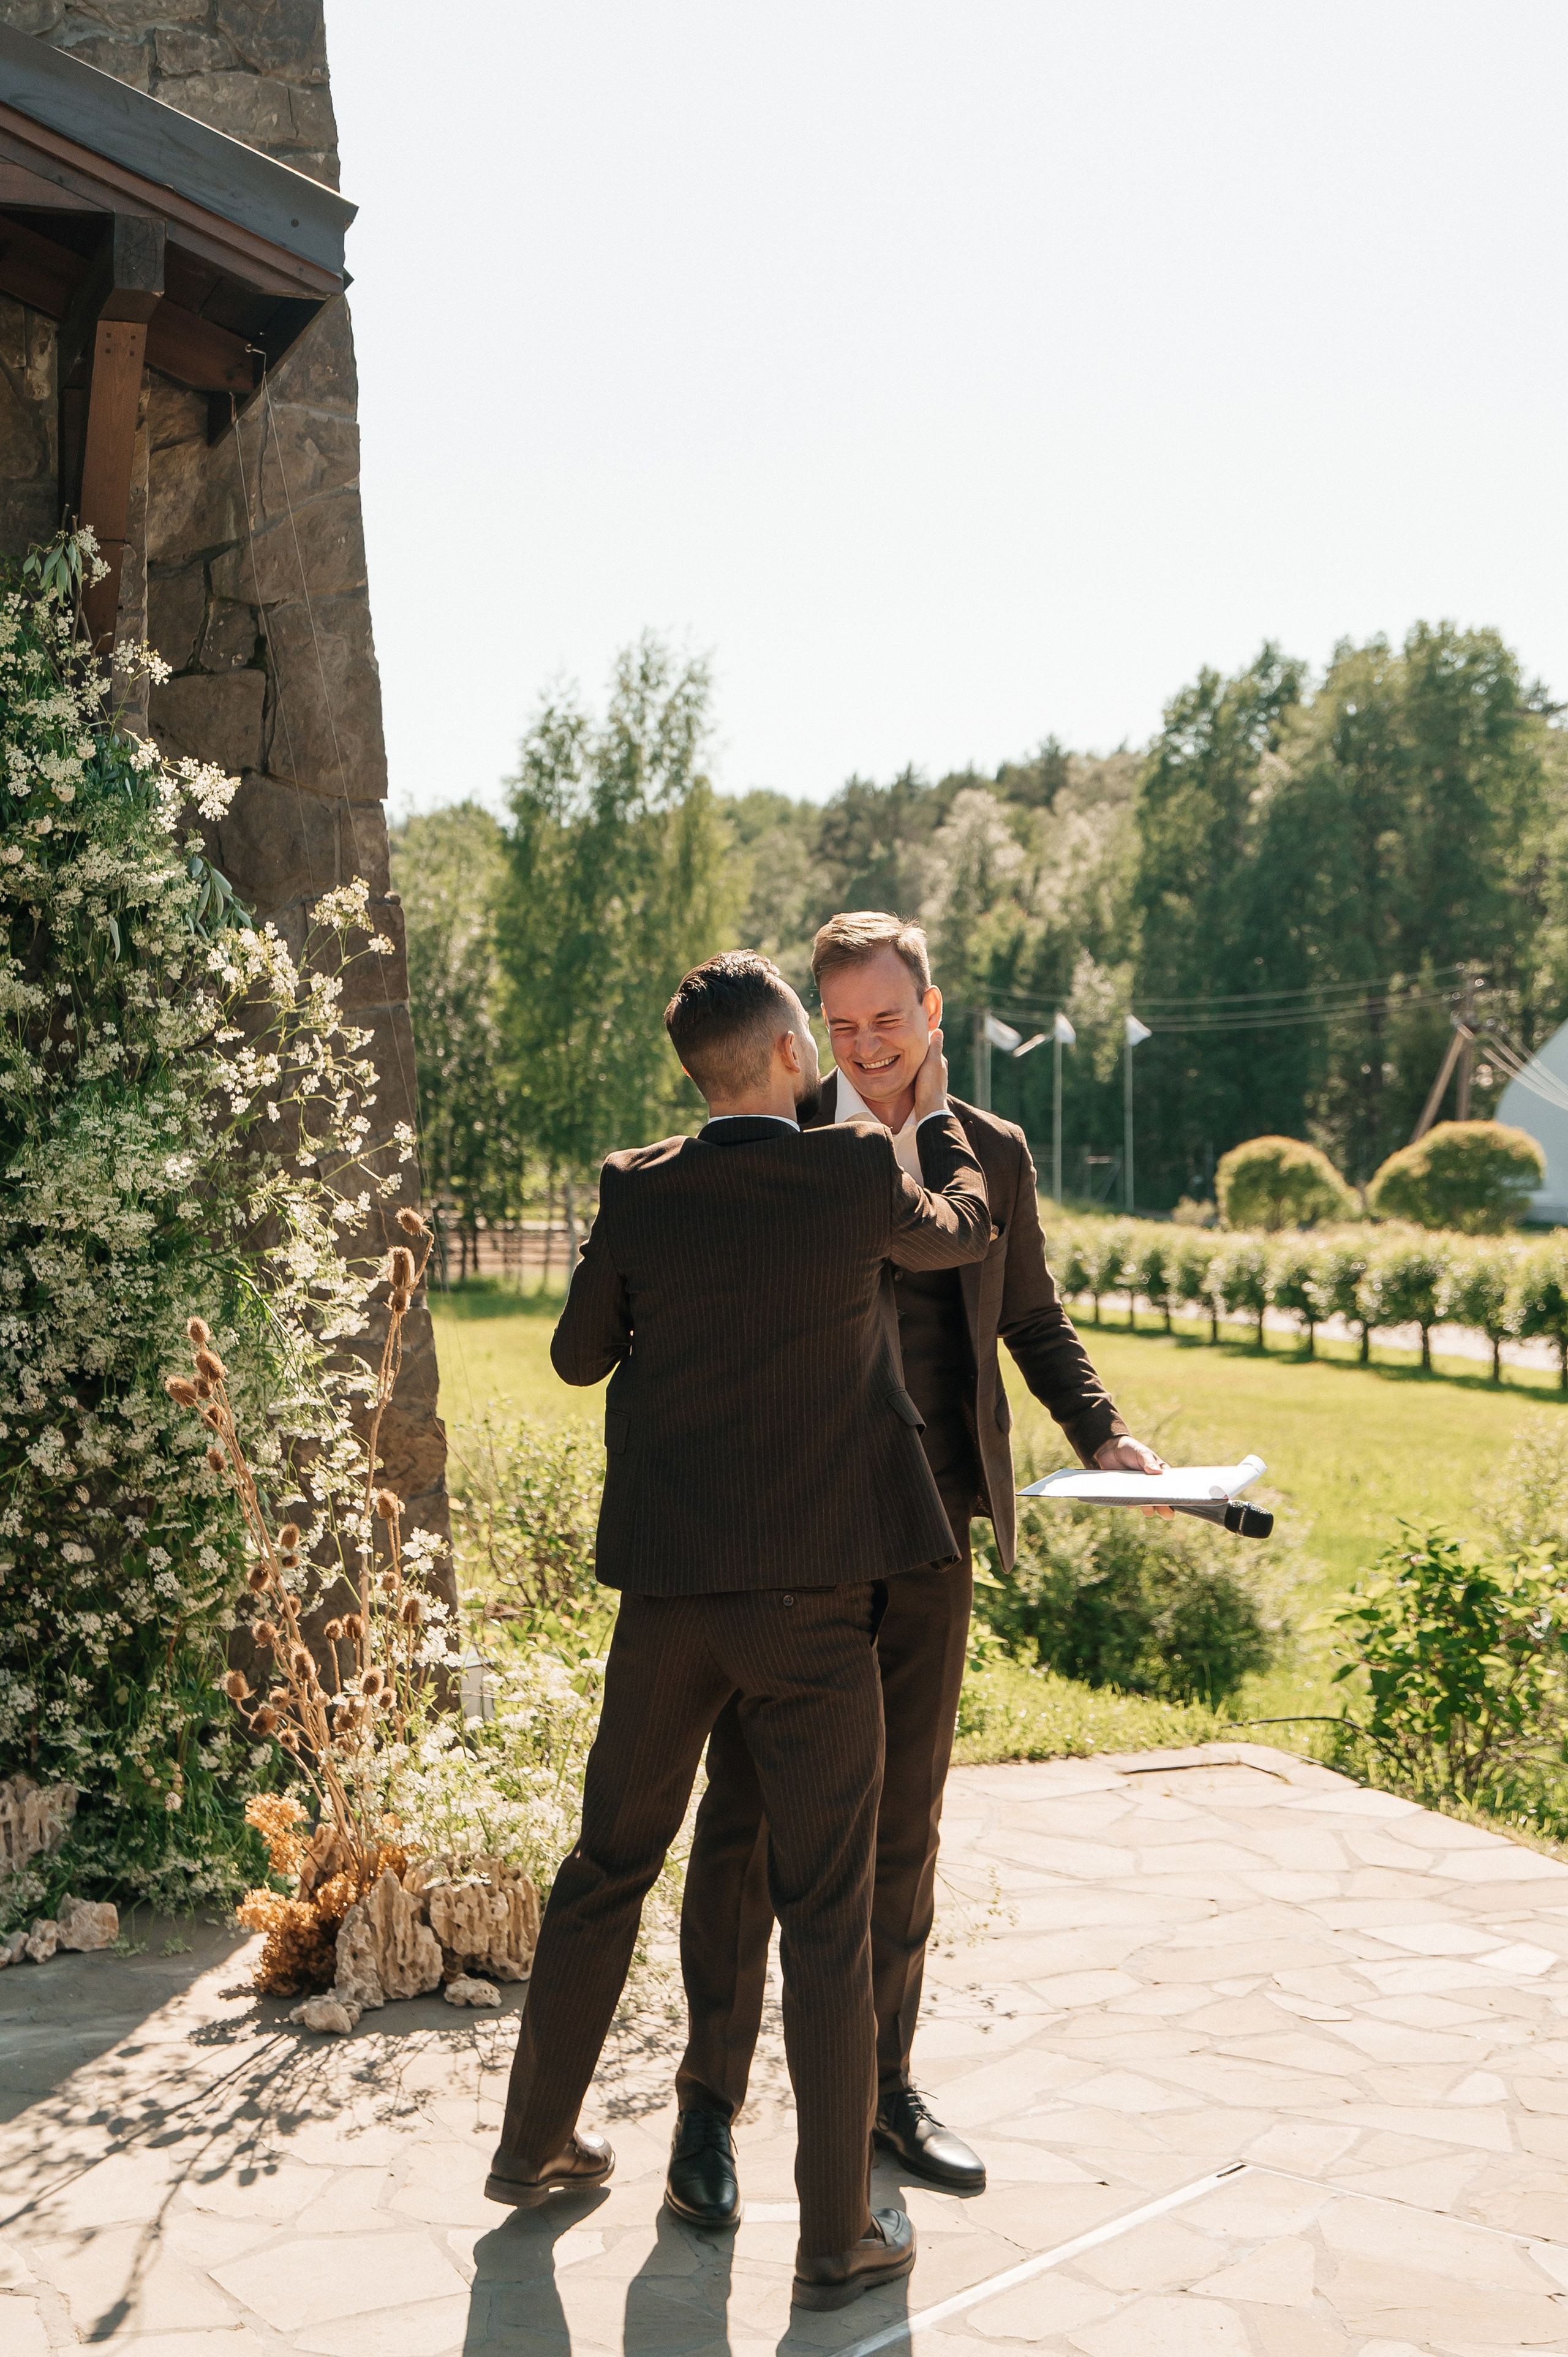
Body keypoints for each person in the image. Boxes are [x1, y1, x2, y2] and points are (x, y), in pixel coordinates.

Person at [486, 948, 993, 2314]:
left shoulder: (638, 1187)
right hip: (814, 1611)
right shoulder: (846, 1176)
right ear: (788, 1055)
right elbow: (957, 1233)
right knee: (823, 1909)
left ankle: (534, 2140)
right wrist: (937, 1139)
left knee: (607, 1862)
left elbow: (579, 1354)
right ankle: (835, 2240)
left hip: (668, 1605)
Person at [671, 913, 1167, 2225]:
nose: (865, 1045)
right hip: (793, 1539)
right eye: (839, 1025)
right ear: (807, 1033)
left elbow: (1028, 1317)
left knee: (906, 1822)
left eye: (885, 1019)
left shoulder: (992, 1152)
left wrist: (1103, 1431)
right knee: (746, 1823)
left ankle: (885, 2086)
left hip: (930, 1531)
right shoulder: (780, 1140)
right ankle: (705, 2112)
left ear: (930, 1009)